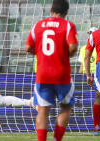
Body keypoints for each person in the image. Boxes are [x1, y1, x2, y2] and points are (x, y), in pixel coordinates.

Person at [25, 0, 78, 140]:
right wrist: (63, 54)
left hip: (42, 74)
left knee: (43, 110)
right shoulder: (68, 25)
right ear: (66, 12)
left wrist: (42, 53)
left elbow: (28, 48)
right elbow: (73, 47)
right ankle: (56, 139)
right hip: (62, 74)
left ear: (50, 9)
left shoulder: (38, 25)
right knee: (66, 107)